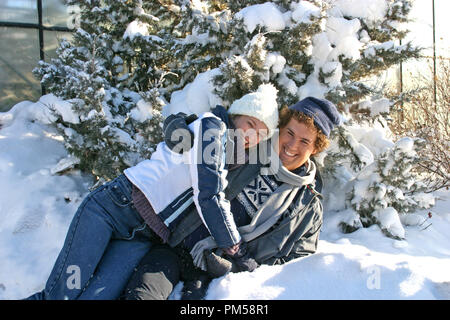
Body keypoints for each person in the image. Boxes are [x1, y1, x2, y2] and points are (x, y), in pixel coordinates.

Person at [25, 84, 279, 300]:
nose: (251, 135)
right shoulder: (213, 128)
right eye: (249, 123)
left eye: (261, 133)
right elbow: (210, 196)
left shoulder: (230, 157)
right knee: (62, 294)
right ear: (236, 115)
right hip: (113, 208)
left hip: (143, 236)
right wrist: (237, 250)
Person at [122, 96, 341, 300]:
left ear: (315, 148)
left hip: (227, 278)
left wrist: (233, 268)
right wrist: (178, 124)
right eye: (290, 133)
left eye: (304, 141)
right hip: (178, 246)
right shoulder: (250, 147)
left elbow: (293, 269)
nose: (292, 145)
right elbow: (215, 124)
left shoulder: (308, 206)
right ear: (280, 129)